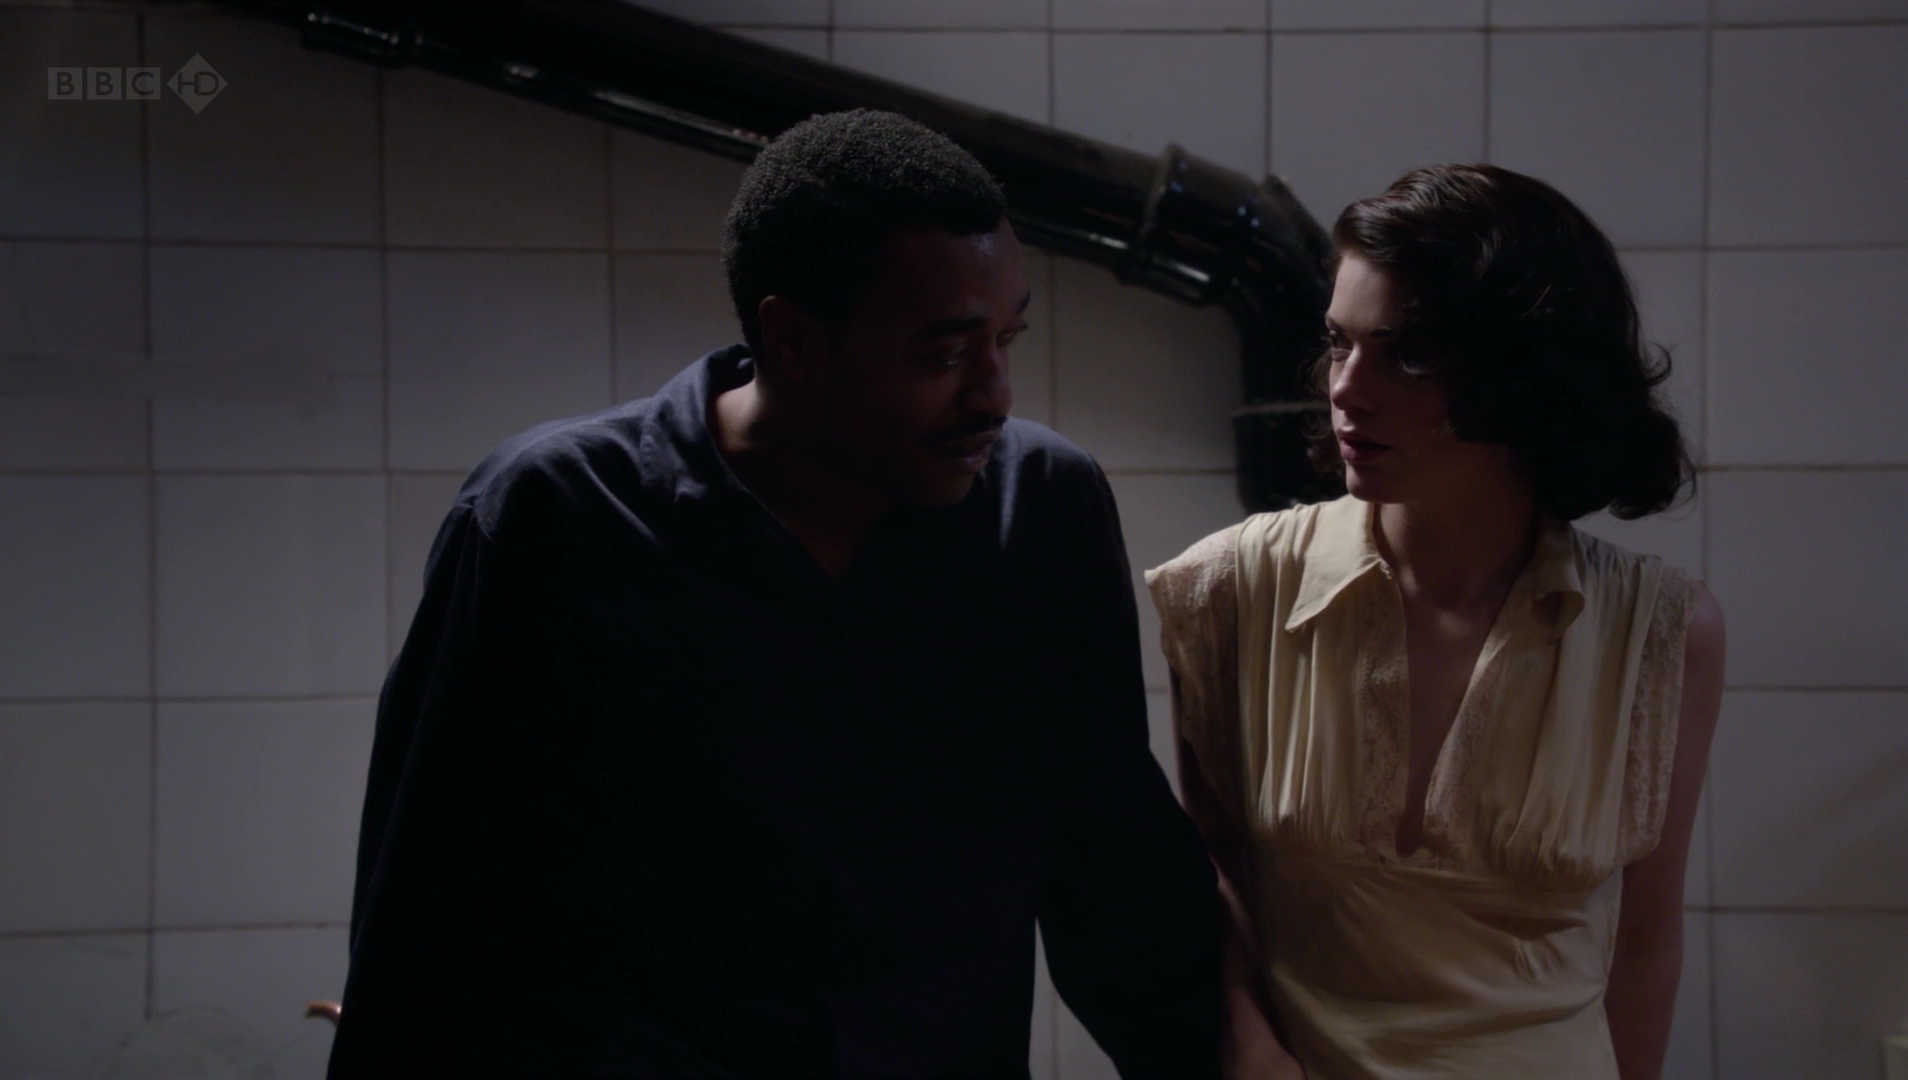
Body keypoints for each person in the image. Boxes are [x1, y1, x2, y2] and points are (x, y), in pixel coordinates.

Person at [327, 109, 1221, 1078]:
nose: (995, 394)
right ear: (791, 340)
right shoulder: (552, 517)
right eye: (945, 354)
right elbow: (432, 919)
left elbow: (1115, 882)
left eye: (1008, 338)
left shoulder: (1044, 512)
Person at [1147, 163, 1725, 1080]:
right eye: (1339, 342)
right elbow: (1207, 870)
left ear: (1526, 372)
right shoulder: (1232, 588)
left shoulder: (1660, 630)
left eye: (1407, 352)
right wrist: (1249, 1048)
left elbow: (1648, 943)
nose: (1347, 388)